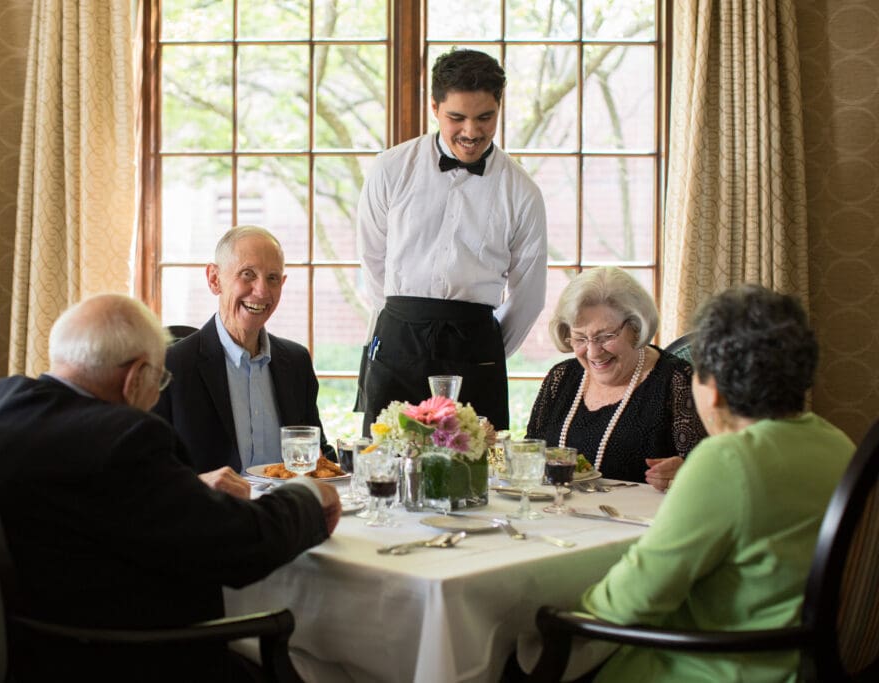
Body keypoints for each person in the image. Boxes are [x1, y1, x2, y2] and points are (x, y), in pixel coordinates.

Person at [0, 293, 341, 681]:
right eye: (159, 379)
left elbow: (105, 502)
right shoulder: (123, 439)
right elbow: (242, 547)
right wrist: (308, 495)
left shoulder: (2, 403)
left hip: (20, 646)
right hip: (120, 658)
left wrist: (183, 490)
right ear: (136, 377)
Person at [577, 284, 855, 681]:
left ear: (715, 391)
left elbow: (630, 601)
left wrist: (552, 613)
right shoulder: (838, 444)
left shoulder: (728, 460)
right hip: (803, 662)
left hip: (715, 667)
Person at [356, 48, 548, 432]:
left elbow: (529, 294)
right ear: (434, 107)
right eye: (456, 117)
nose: (472, 132)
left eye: (485, 117)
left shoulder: (522, 190)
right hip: (399, 337)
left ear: (499, 108)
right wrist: (401, 324)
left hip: (475, 344)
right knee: (386, 471)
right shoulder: (390, 169)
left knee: (475, 479)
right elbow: (371, 261)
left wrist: (486, 349)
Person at [154, 226, 334, 474]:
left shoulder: (296, 362)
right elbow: (147, 471)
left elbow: (318, 452)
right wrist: (199, 485)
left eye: (272, 278)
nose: (261, 291)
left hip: (286, 509)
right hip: (211, 509)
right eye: (248, 274)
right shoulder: (170, 365)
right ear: (214, 279)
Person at [526, 267, 706, 488]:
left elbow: (712, 472)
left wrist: (688, 472)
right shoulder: (561, 378)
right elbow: (531, 456)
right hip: (560, 516)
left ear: (636, 328)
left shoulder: (676, 381)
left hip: (641, 520)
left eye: (605, 336)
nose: (593, 352)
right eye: (580, 338)